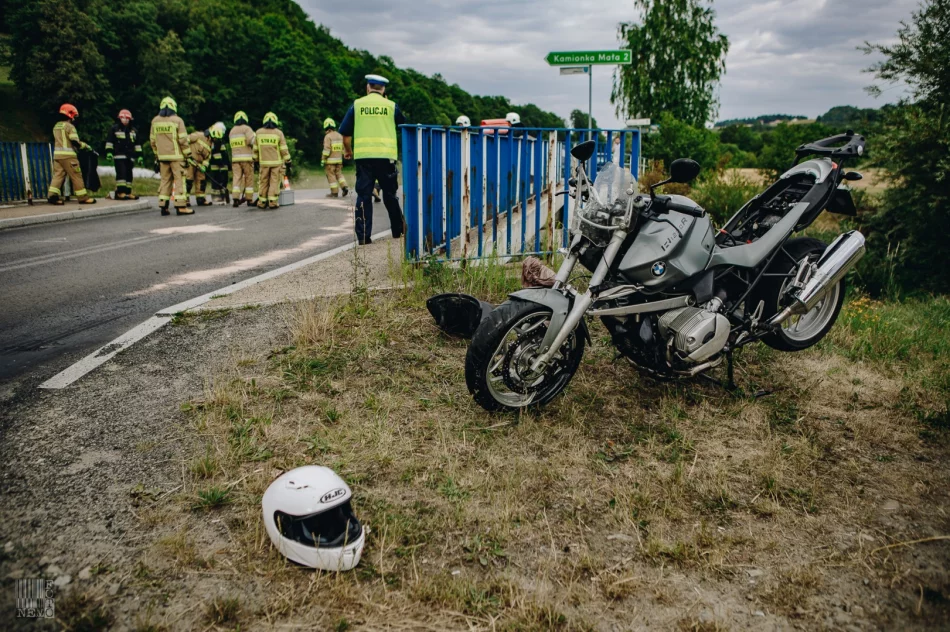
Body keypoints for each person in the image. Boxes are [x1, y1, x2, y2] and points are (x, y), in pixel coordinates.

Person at [340, 74, 406, 245]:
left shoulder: (357, 104)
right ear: (384, 90)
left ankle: (363, 237)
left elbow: (345, 135)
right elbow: (405, 128)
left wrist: (348, 151)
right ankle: (398, 231)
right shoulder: (391, 106)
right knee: (390, 195)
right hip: (386, 158)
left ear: (368, 88)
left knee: (363, 196)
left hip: (364, 159)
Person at [149, 96, 193, 215]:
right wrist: (188, 155)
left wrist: (157, 155)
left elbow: (152, 141)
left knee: (165, 180)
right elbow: (183, 140)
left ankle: (164, 205)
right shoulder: (177, 120)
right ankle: (181, 206)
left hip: (162, 157)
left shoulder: (155, 121)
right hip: (177, 157)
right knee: (180, 181)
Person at [46, 104, 95, 205]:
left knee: (58, 176)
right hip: (69, 156)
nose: (75, 119)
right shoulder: (70, 126)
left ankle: (52, 196)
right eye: (74, 116)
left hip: (57, 156)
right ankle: (83, 198)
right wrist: (85, 146)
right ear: (70, 115)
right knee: (76, 176)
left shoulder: (56, 126)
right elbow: (74, 142)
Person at [254, 112, 291, 209]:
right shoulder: (279, 133)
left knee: (263, 182)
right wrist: (288, 160)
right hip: (276, 163)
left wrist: (255, 160)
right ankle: (272, 202)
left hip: (263, 163)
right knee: (274, 182)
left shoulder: (258, 133)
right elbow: (283, 149)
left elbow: (255, 149)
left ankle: (262, 202)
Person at [104, 109, 143, 200]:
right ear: (119, 119)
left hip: (130, 157)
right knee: (121, 174)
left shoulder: (133, 131)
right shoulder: (114, 129)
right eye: (123, 118)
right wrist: (109, 152)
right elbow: (110, 142)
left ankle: (128, 192)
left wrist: (140, 156)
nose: (125, 120)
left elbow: (137, 145)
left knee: (129, 175)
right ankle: (120, 192)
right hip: (119, 156)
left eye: (127, 119)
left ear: (130, 120)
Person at [229, 111, 256, 207]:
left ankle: (235, 198)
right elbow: (252, 141)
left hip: (235, 160)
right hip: (247, 159)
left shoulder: (232, 131)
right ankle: (249, 199)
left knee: (237, 178)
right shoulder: (247, 129)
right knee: (249, 178)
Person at [185, 128, 213, 206]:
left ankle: (201, 199)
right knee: (188, 181)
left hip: (199, 165)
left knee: (201, 181)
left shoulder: (211, 144)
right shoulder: (198, 135)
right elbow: (185, 141)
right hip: (190, 162)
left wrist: (204, 166)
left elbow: (207, 157)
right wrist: (186, 153)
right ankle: (185, 199)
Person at [321, 117, 348, 198]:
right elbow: (343, 149)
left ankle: (334, 193)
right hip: (339, 161)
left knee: (331, 176)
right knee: (339, 174)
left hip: (330, 162)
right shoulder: (340, 136)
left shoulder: (328, 137)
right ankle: (344, 187)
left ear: (325, 127)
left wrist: (323, 159)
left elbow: (326, 149)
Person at [208, 122, 231, 202]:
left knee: (222, 182)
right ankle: (217, 198)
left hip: (222, 167)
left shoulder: (219, 142)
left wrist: (228, 165)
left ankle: (222, 197)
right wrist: (222, 164)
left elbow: (224, 155)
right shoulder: (216, 143)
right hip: (218, 167)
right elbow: (216, 155)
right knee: (217, 183)